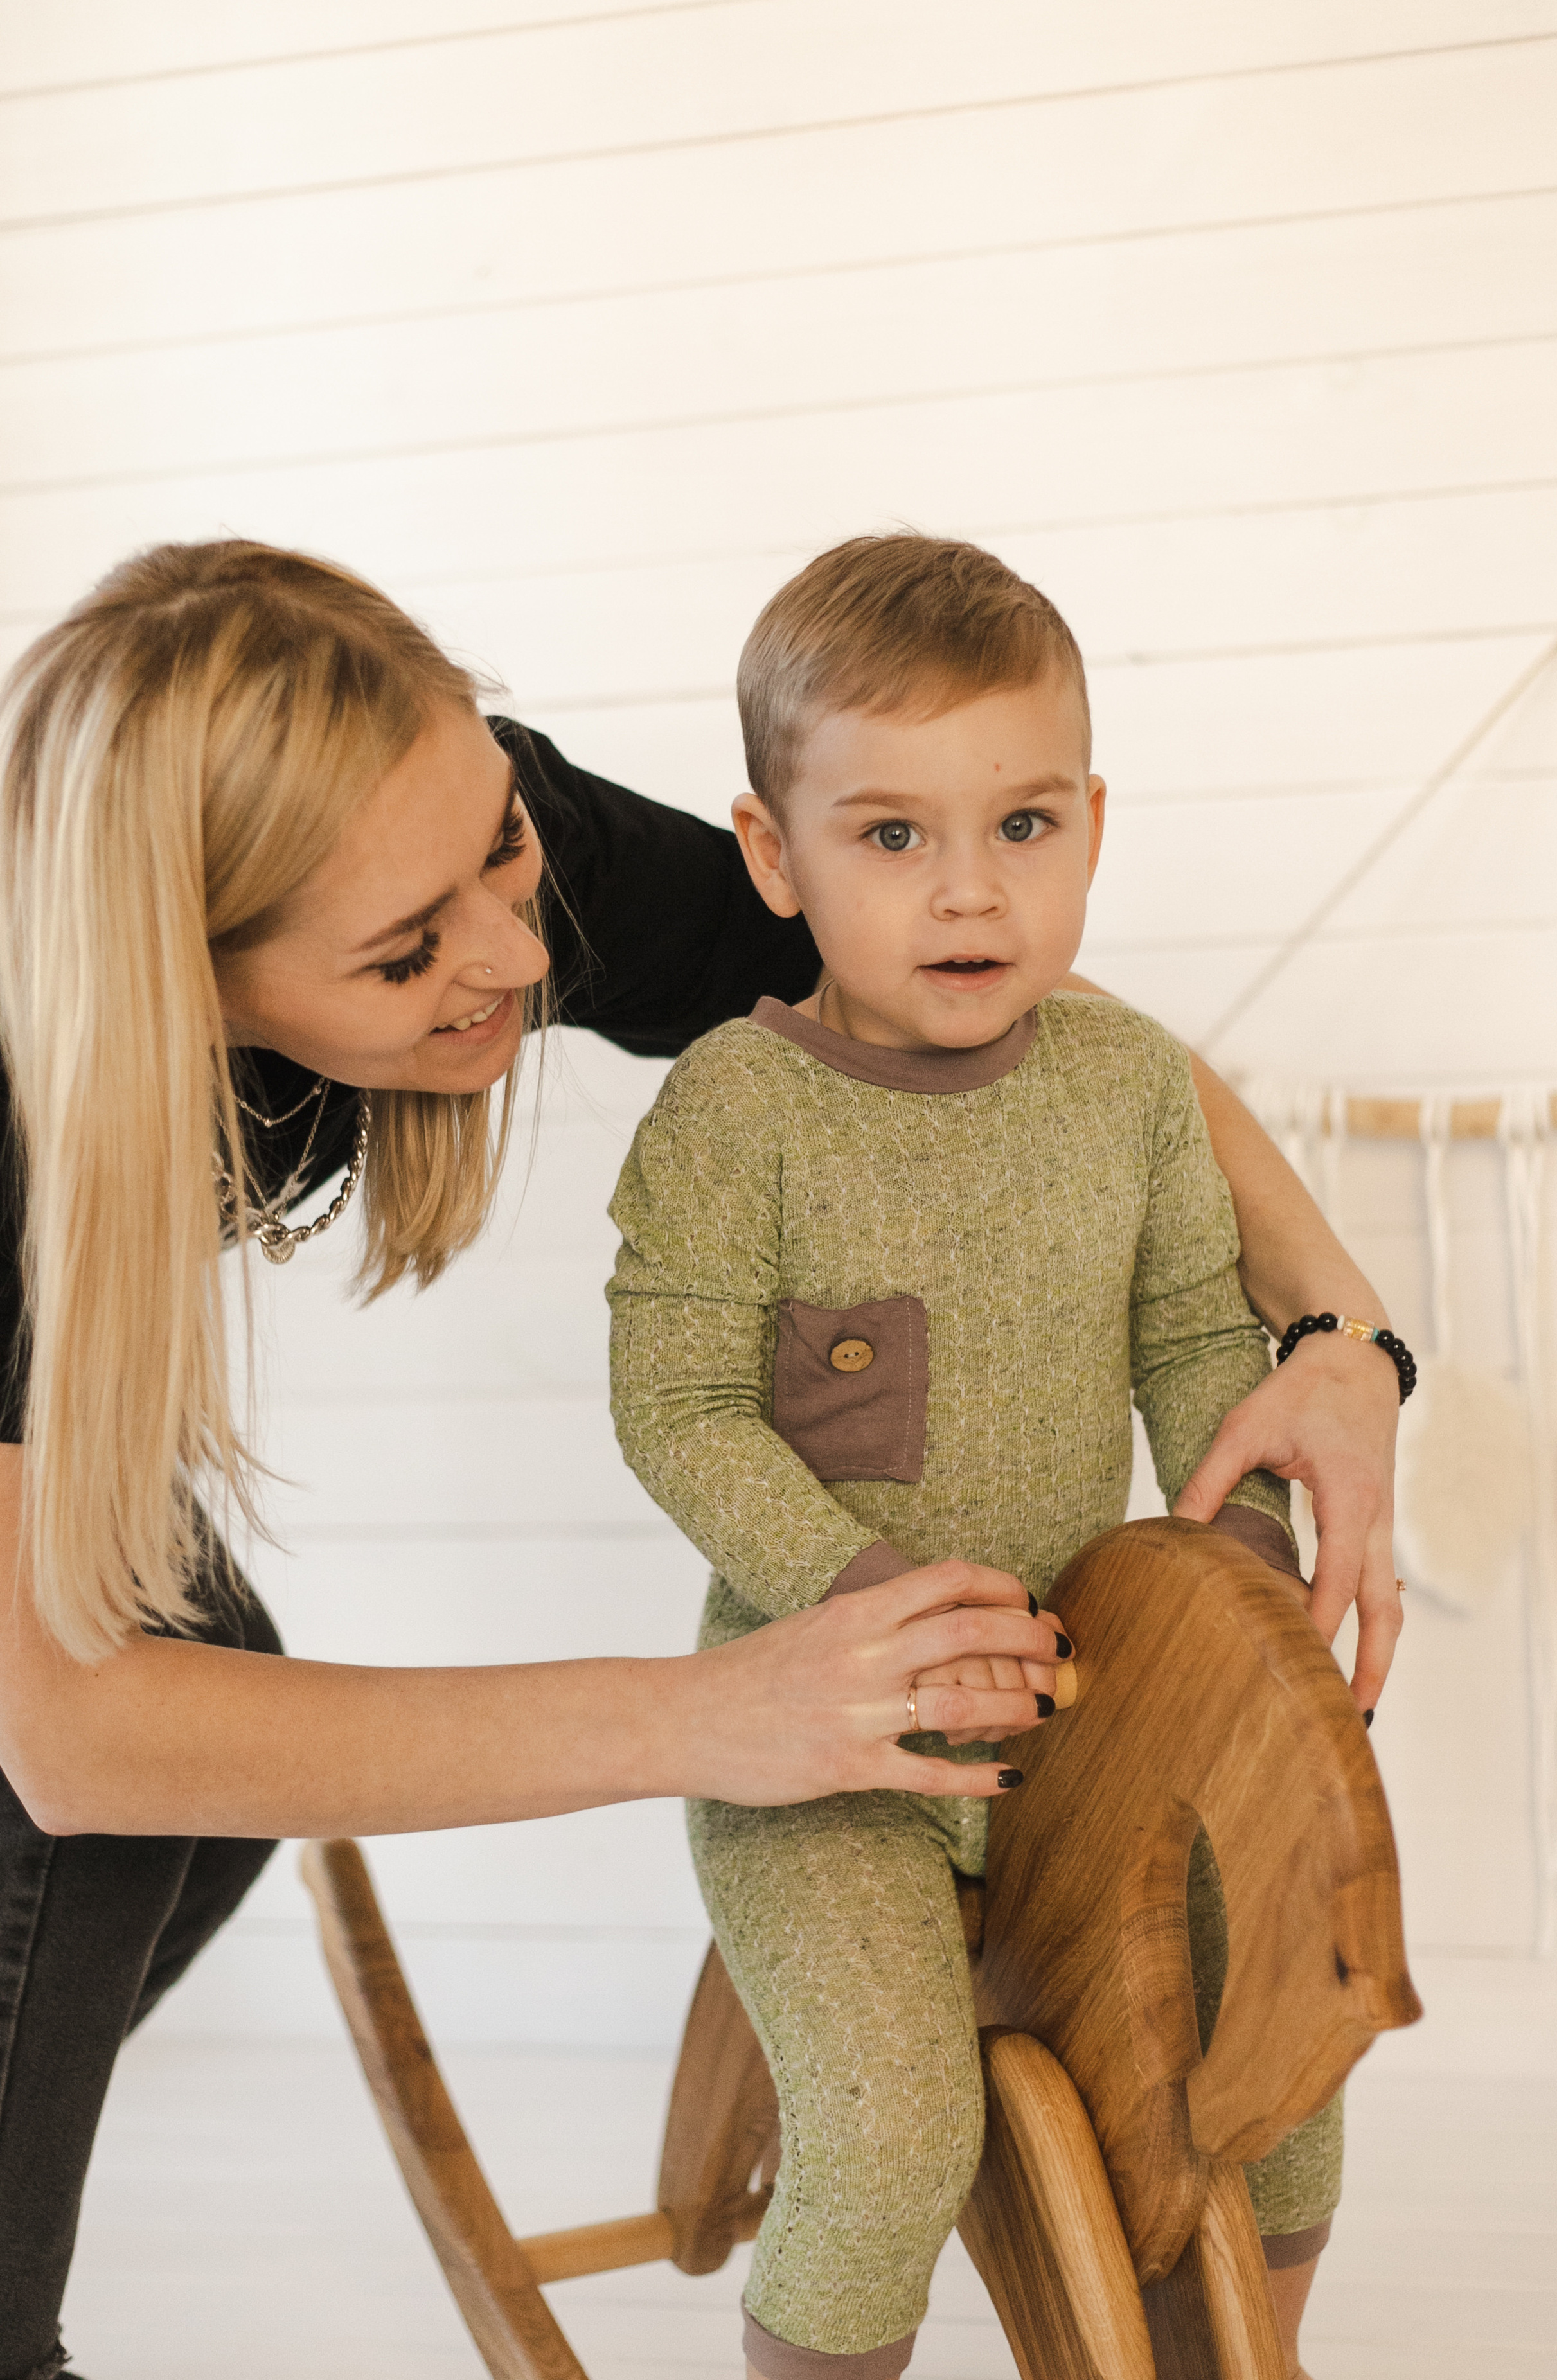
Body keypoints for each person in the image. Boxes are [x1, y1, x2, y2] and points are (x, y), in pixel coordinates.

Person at [0, 537, 1396, 2380]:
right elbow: (82, 1737)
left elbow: (1062, 1050)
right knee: (109, 1814)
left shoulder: (458, 822)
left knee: (212, 1721)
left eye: (500, 857)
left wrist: (1342, 1339)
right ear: (178, 979)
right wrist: (711, 1711)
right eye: (408, 953)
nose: (514, 951)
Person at [608, 535, 1400, 2380]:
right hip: (824, 1740)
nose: (969, 894)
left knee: (1284, 2072)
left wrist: (1248, 1592)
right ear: (770, 855)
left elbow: (1208, 1353)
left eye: (1023, 827)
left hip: (1088, 1713)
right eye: (891, 837)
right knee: (892, 2135)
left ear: (1095, 824)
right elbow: (683, 1409)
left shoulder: (1126, 1088)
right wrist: (868, 1601)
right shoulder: (736, 1111)